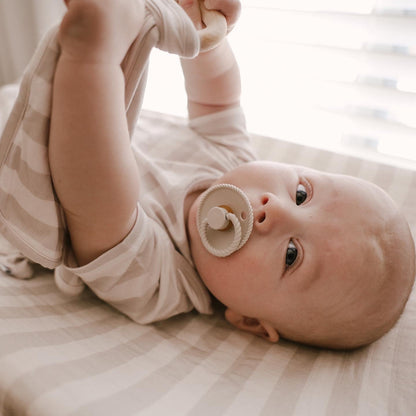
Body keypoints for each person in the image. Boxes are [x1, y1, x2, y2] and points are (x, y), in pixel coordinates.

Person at [37, 0, 416, 349]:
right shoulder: (232, 161)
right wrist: (204, 36)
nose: (274, 210)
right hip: (31, 100)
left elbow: (93, 209)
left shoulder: (165, 283)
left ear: (250, 320)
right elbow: (217, 98)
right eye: (302, 194)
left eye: (290, 255)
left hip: (26, 164)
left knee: (106, 205)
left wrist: (94, 63)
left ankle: (91, 50)